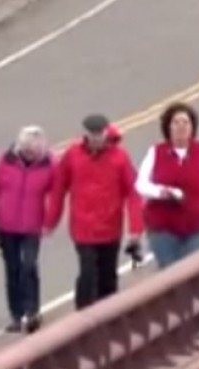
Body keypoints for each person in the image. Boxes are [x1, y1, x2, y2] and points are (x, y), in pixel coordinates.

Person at [45, 114, 144, 310]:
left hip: (110, 228)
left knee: (108, 278)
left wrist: (135, 229)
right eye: (92, 134)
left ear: (106, 132)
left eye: (100, 134)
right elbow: (58, 189)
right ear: (86, 134)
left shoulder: (120, 157)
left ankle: (108, 318)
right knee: (87, 273)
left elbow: (133, 193)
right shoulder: (73, 155)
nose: (96, 138)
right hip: (83, 228)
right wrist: (50, 222)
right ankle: (82, 317)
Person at [135, 102, 199, 269]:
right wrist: (160, 192)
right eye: (176, 123)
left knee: (196, 268)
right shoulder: (156, 152)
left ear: (192, 127)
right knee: (170, 273)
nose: (181, 127)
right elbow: (141, 184)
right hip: (164, 228)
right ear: (168, 127)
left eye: (186, 122)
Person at [0, 125, 54, 334]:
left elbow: (56, 194)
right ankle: (16, 314)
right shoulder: (5, 161)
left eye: (33, 151)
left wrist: (50, 221)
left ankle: (32, 311)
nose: (29, 154)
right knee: (12, 269)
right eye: (26, 150)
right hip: (7, 225)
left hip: (32, 225)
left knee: (29, 266)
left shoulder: (49, 165)